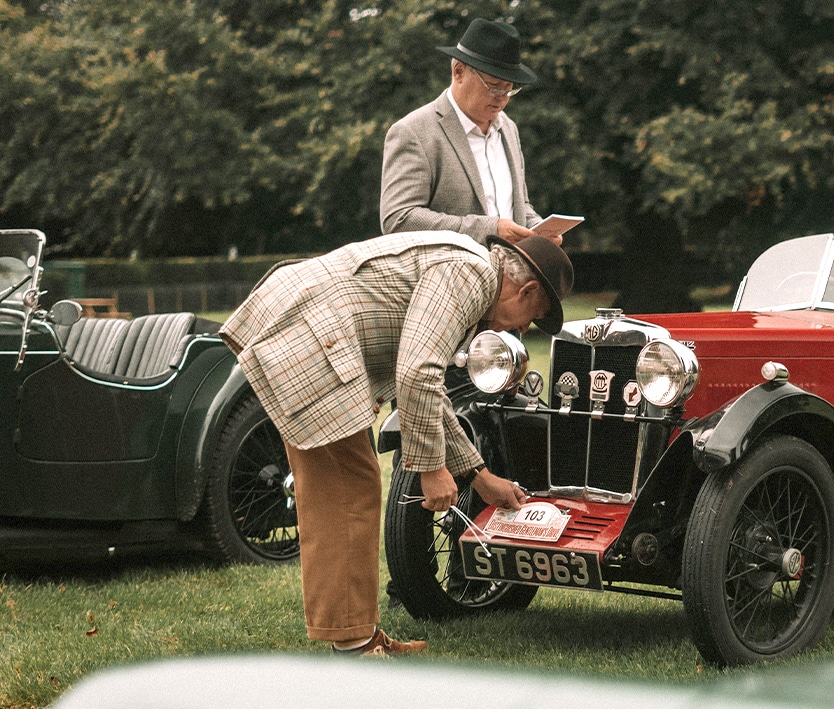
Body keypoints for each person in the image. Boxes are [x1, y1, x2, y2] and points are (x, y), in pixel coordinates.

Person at [219, 231, 574, 656]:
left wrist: (478, 477)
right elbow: (416, 374)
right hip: (309, 327)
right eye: (528, 318)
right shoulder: (472, 274)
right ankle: (356, 644)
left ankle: (353, 637)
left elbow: (430, 391)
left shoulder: (469, 268)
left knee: (336, 490)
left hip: (298, 318)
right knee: (350, 487)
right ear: (526, 289)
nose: (519, 329)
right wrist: (431, 469)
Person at [380, 18, 550, 246]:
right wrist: (488, 229)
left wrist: (539, 230)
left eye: (510, 90)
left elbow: (518, 206)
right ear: (458, 72)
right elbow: (398, 219)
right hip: (449, 279)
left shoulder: (508, 128)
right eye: (494, 86)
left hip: (512, 277)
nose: (501, 98)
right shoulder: (413, 132)